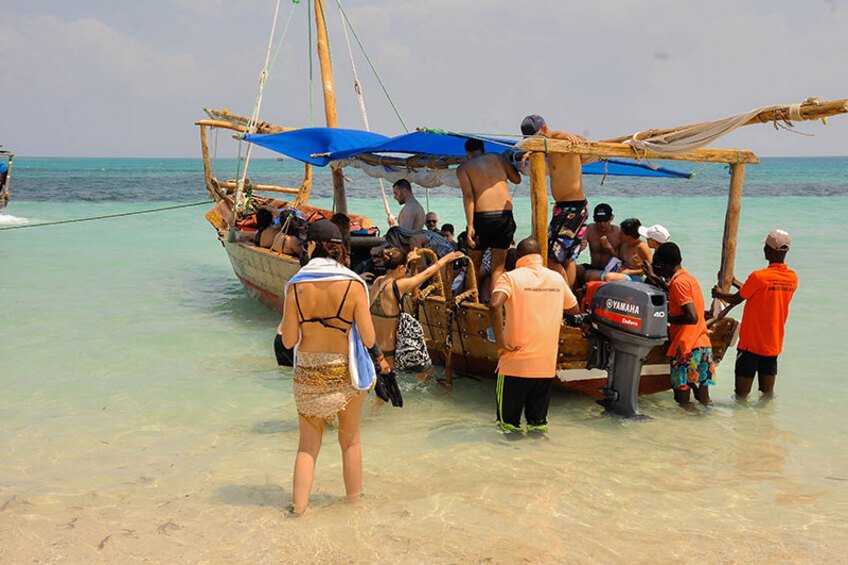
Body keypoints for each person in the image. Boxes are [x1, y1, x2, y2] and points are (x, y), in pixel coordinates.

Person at [279, 219, 390, 515]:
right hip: (345, 371)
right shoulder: (354, 284)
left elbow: (288, 341)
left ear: (313, 246)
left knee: (307, 447)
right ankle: (354, 504)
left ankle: (299, 509)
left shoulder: (296, 286)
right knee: (350, 440)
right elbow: (368, 338)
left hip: (309, 372)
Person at [489, 237, 580, 432]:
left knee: (507, 426)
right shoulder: (556, 278)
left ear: (518, 257)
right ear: (540, 256)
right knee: (538, 426)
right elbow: (574, 308)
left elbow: (494, 305)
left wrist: (501, 343)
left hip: (515, 364)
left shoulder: (510, 278)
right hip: (545, 366)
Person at [712, 229, 798, 398]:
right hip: (773, 344)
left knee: (741, 396)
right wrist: (733, 281)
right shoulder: (792, 278)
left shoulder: (759, 276)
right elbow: (760, 291)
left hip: (751, 344)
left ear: (768, 250)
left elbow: (737, 299)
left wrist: (719, 293)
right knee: (767, 394)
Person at [520, 115, 594, 288]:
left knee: (551, 257)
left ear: (545, 128)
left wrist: (564, 135)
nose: (535, 142)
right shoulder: (549, 146)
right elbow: (549, 141)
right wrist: (530, 152)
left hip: (572, 209)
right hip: (568, 208)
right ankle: (569, 297)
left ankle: (564, 297)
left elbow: (561, 135)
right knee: (568, 258)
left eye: (537, 138)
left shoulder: (558, 139)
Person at [370, 246, 464, 380]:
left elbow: (398, 274)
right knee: (425, 370)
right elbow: (425, 274)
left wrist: (408, 260)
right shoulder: (398, 286)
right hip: (389, 355)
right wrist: (446, 258)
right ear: (401, 267)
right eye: (405, 267)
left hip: (373, 352)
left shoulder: (377, 282)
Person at [645, 242, 715, 406]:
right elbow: (673, 291)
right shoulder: (687, 278)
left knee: (683, 403)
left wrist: (666, 318)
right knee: (704, 401)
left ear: (664, 264)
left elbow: (692, 317)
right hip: (702, 345)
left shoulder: (678, 283)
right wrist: (654, 278)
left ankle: (687, 424)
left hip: (686, 349)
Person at [457, 138, 521, 296]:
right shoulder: (498, 158)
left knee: (474, 265)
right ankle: (495, 305)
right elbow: (517, 179)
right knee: (498, 267)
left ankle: (470, 303)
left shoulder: (464, 168)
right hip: (504, 216)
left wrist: (470, 225)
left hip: (482, 217)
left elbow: (469, 196)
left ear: (468, 153)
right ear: (483, 149)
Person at [583, 203, 623, 282]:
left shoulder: (619, 233)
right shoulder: (589, 229)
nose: (602, 224)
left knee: (589, 275)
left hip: (611, 270)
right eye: (599, 221)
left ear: (611, 218)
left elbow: (623, 261)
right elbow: (576, 250)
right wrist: (580, 247)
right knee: (576, 269)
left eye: (605, 220)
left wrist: (610, 248)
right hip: (593, 267)